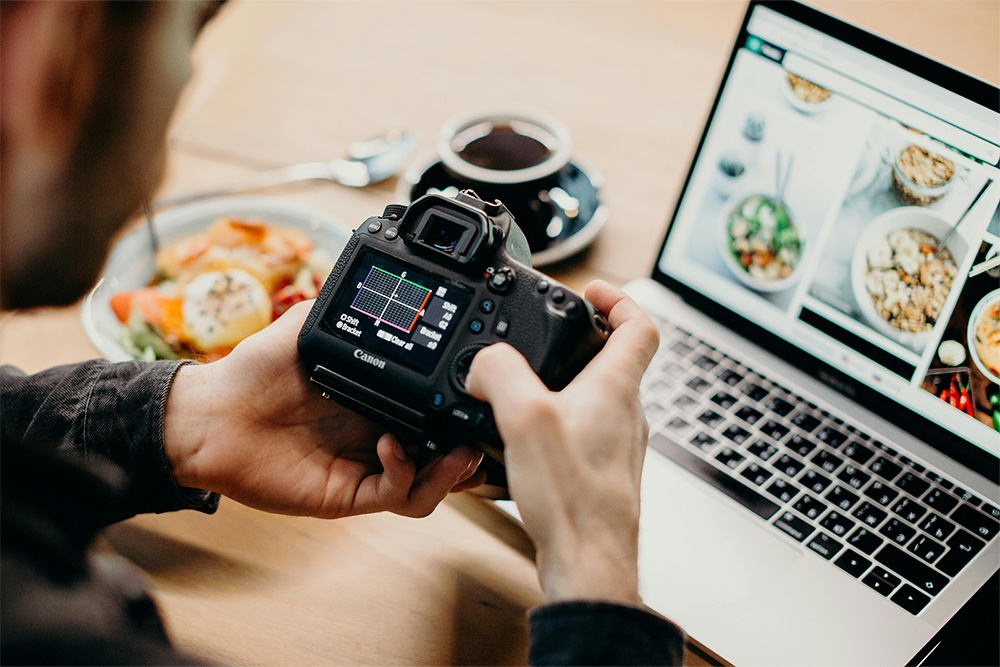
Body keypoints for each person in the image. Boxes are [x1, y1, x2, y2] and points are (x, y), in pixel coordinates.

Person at [0, 2, 684, 665]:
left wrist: (187, 417)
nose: (184, 75)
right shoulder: (56, 637)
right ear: (45, 35)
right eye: (191, 24)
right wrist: (597, 580)